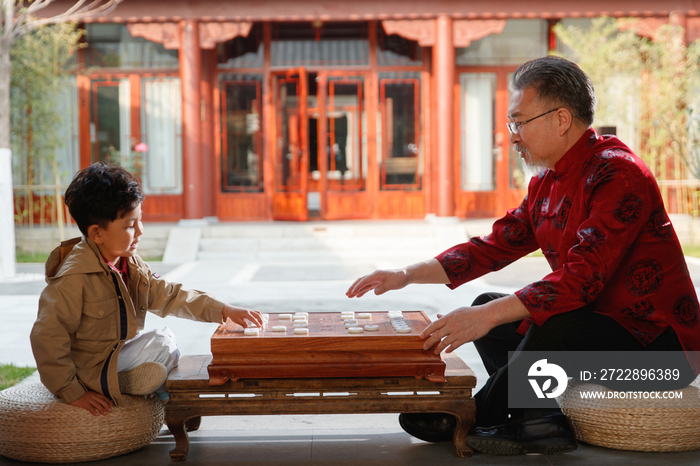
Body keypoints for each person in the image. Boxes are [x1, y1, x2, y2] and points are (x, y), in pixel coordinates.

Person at [346, 56, 700, 455]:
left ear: (561, 119)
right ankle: (538, 419)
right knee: (489, 307)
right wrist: (405, 274)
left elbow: (582, 280)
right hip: (601, 330)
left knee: (548, 323)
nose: (512, 136)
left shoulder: (619, 174)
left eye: (519, 122)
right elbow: (492, 246)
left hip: (663, 351)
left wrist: (484, 318)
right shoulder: (546, 184)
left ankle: (478, 411)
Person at [31, 162, 263, 416]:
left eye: (140, 221)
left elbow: (169, 294)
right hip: (87, 371)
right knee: (160, 346)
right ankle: (154, 397)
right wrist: (72, 391)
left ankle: (146, 386)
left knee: (164, 340)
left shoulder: (129, 263)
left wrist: (223, 310)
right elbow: (47, 338)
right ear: (97, 233)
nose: (140, 231)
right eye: (130, 225)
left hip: (114, 356)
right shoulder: (73, 278)